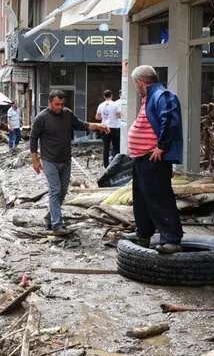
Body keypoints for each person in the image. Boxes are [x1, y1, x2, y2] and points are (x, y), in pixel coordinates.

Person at [30, 91, 110, 234]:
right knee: (55, 190)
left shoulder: (67, 114)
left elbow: (81, 124)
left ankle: (49, 218)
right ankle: (57, 225)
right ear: (49, 103)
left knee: (62, 192)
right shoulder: (41, 118)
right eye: (57, 104)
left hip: (66, 160)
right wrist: (35, 160)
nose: (60, 107)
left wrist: (98, 126)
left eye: (62, 104)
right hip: (49, 160)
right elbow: (33, 139)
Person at [123, 65, 184, 254]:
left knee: (159, 197)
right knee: (141, 197)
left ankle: (171, 239)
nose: (135, 86)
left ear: (140, 83)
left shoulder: (162, 96)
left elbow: (170, 121)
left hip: (154, 158)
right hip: (142, 158)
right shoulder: (148, 98)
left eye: (135, 83)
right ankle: (143, 232)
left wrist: (161, 146)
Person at [96, 90, 122, 168]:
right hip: (114, 127)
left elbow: (97, 117)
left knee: (106, 147)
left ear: (104, 96)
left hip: (104, 127)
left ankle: (106, 165)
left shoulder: (101, 105)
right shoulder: (115, 104)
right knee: (116, 146)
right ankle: (115, 164)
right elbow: (119, 115)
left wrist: (104, 117)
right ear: (111, 95)